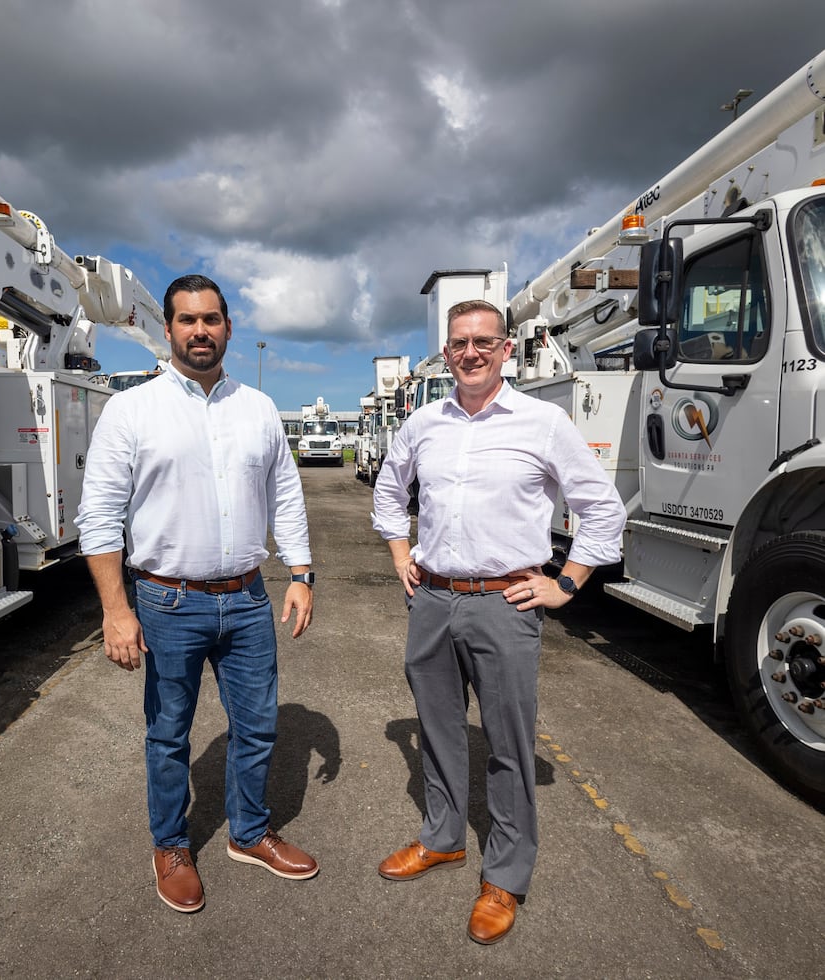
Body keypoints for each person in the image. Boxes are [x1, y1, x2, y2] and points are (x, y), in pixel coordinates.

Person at [371, 299, 625, 945]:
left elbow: (602, 510)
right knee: (439, 732)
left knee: (509, 747)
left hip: (506, 603)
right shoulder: (425, 422)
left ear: (507, 349)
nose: (472, 352)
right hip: (431, 599)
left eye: (485, 341)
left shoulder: (543, 422)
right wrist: (401, 553)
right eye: (460, 343)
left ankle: (505, 877)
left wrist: (567, 583)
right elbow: (388, 488)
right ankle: (443, 839)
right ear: (447, 351)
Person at [75, 274, 319, 914]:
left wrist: (301, 573)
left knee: (258, 726)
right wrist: (115, 610)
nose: (200, 331)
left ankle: (248, 832)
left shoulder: (258, 410)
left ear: (229, 327)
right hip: (167, 603)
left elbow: (284, 495)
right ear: (168, 328)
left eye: (212, 319)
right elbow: (98, 519)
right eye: (187, 320)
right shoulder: (132, 411)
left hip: (246, 600)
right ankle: (172, 845)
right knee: (169, 734)